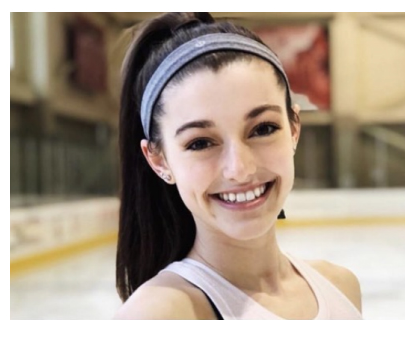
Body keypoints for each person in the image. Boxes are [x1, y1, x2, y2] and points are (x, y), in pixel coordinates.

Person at [114, 12, 362, 320]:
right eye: (200, 143)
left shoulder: (341, 287)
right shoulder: (158, 316)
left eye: (263, 129)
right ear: (159, 159)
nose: (239, 169)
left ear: (294, 128)